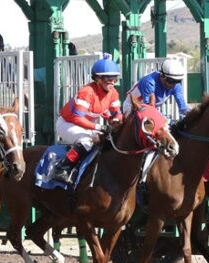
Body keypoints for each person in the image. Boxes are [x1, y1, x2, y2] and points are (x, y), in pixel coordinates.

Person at [50, 54, 122, 184]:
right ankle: (61, 169)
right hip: (68, 123)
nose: (112, 82)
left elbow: (118, 113)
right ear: (98, 79)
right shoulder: (87, 92)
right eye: (108, 79)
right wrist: (101, 127)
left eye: (115, 79)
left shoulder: (113, 93)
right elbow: (78, 119)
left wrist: (115, 120)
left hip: (87, 125)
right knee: (86, 141)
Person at [123, 57, 189, 118]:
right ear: (162, 75)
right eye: (170, 81)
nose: (173, 85)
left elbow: (183, 108)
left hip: (150, 109)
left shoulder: (176, 85)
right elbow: (149, 108)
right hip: (131, 107)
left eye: (178, 81)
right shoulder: (149, 82)